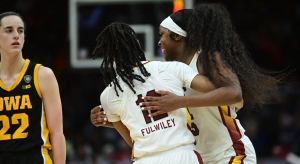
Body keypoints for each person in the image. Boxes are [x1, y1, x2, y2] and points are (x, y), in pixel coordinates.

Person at [92, 3, 287, 164]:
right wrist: (111, 120)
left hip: (229, 152)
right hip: (198, 157)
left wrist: (179, 102)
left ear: (177, 37)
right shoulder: (170, 72)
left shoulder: (206, 58)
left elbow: (234, 94)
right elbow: (163, 119)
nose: (159, 42)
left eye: (162, 35)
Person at [92, 22, 230, 164]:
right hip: (182, 155)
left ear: (111, 57)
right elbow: (221, 90)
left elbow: (132, 141)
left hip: (145, 160)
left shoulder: (108, 96)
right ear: (138, 44)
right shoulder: (171, 68)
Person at [0, 12, 66, 164]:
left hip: (36, 159)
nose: (16, 35)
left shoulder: (42, 75)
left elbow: (57, 133)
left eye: (20, 31)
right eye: (9, 30)